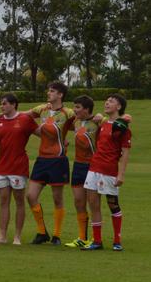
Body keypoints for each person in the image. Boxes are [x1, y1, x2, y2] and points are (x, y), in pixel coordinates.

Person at [26, 82, 75, 245]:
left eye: (52, 91)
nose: (48, 93)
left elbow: (86, 120)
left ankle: (57, 235)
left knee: (57, 198)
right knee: (31, 196)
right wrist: (1, 115)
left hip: (58, 160)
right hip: (42, 159)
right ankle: (41, 232)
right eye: (48, 90)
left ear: (60, 95)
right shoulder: (42, 109)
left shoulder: (68, 113)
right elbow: (23, 116)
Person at [82, 94, 131, 252]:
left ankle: (117, 240)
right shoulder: (102, 123)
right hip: (93, 169)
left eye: (111, 101)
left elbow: (125, 153)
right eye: (107, 100)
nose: (107, 103)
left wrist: (121, 175)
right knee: (93, 204)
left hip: (109, 171)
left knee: (113, 205)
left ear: (119, 107)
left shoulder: (122, 128)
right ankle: (97, 241)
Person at [0, 93, 38, 245]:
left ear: (13, 104)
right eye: (1, 104)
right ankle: (2, 236)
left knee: (19, 201)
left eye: (4, 103)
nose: (1, 106)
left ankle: (17, 236)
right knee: (3, 201)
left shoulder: (24, 119)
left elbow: (42, 133)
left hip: (18, 167)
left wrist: (60, 142)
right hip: (2, 167)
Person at [65, 95, 98, 248]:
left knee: (93, 203)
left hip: (93, 166)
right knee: (79, 201)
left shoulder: (98, 122)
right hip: (78, 166)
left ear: (87, 109)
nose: (75, 110)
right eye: (74, 106)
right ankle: (82, 237)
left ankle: (96, 238)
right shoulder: (76, 122)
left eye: (78, 107)